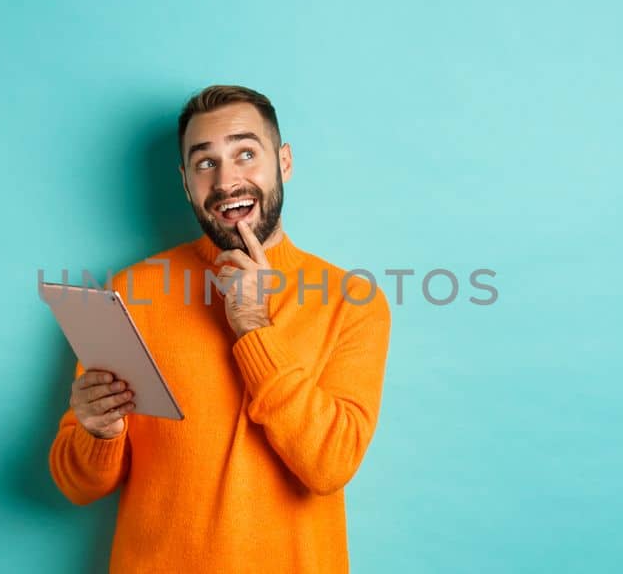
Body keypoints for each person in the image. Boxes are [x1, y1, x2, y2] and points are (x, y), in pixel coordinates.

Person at [48, 85, 392, 573]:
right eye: (205, 162)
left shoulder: (351, 302)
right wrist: (98, 431)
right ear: (186, 182)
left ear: (284, 162)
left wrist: (252, 326)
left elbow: (329, 466)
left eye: (246, 154)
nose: (228, 179)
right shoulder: (132, 291)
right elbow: (76, 484)